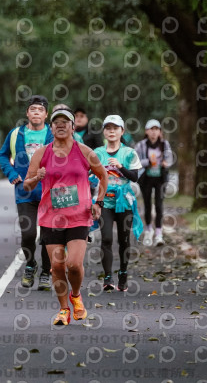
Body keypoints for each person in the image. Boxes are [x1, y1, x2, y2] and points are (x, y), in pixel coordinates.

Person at [23, 108, 107, 325]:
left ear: (73, 127)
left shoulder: (85, 152)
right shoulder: (42, 153)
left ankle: (76, 296)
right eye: (56, 122)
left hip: (79, 216)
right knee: (57, 266)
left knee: (74, 265)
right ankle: (63, 310)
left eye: (65, 122)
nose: (60, 125)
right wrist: (36, 178)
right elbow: (26, 184)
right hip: (51, 217)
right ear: (51, 128)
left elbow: (103, 176)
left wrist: (99, 202)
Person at [0, 95, 53, 290]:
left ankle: (46, 272)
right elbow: (3, 155)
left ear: (46, 114)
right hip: (25, 192)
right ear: (27, 113)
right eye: (33, 109)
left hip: (49, 193)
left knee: (49, 236)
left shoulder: (53, 135)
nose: (36, 112)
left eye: (40, 109)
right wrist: (11, 173)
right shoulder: (15, 134)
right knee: (28, 233)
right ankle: (30, 265)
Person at [94, 115, 143, 292]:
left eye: (115, 128)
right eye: (108, 128)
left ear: (122, 131)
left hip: (124, 202)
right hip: (104, 201)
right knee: (106, 238)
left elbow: (135, 177)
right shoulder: (98, 153)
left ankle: (123, 272)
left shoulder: (129, 153)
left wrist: (120, 167)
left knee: (124, 240)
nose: (111, 131)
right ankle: (107, 277)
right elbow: (90, 176)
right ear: (104, 132)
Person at [135, 119, 173, 246]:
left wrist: (165, 163)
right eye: (151, 129)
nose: (154, 132)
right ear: (146, 131)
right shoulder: (141, 145)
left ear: (160, 131)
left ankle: (159, 233)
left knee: (159, 205)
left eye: (156, 129)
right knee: (147, 205)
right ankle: (148, 230)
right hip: (146, 178)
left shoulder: (164, 144)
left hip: (160, 178)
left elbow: (170, 159)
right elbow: (136, 161)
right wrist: (148, 163)